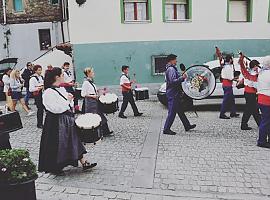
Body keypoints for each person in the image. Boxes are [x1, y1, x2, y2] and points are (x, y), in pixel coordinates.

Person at [38, 67, 97, 175]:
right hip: (56, 122)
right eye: (62, 75)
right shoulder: (48, 92)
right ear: (57, 77)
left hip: (67, 120)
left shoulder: (61, 89)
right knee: (59, 144)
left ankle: (84, 162)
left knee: (74, 140)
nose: (63, 77)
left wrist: (69, 101)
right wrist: (68, 101)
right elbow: (55, 109)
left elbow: (67, 105)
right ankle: (55, 167)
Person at [239, 55, 270, 148]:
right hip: (265, 99)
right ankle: (262, 141)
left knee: (262, 118)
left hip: (261, 98)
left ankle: (264, 139)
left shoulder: (260, 74)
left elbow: (248, 76)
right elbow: (249, 81)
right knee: (265, 120)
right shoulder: (263, 73)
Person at [163, 54, 196, 135]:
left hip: (174, 93)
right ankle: (166, 129)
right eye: (175, 59)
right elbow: (172, 81)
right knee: (172, 112)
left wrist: (181, 75)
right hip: (173, 93)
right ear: (171, 60)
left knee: (180, 111)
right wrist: (182, 78)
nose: (176, 61)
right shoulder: (171, 69)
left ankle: (187, 125)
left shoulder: (171, 68)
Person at [81, 67, 113, 136]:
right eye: (92, 72)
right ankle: (95, 134)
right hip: (90, 103)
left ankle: (105, 132)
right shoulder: (86, 83)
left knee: (100, 117)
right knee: (94, 118)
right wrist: (93, 96)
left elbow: (94, 91)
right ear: (88, 73)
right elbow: (83, 94)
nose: (94, 73)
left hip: (95, 102)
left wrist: (102, 91)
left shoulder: (91, 82)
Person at [240, 60, 261, 130]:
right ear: (254, 66)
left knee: (252, 109)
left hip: (248, 92)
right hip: (250, 93)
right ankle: (244, 124)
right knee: (251, 110)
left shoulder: (249, 72)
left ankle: (259, 123)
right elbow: (254, 85)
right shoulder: (252, 74)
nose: (257, 67)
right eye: (257, 66)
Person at [219, 55, 240, 119]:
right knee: (226, 100)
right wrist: (235, 79)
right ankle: (222, 114)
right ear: (230, 59)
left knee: (231, 99)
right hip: (227, 85)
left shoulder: (226, 66)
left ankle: (233, 112)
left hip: (227, 84)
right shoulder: (228, 67)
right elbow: (230, 77)